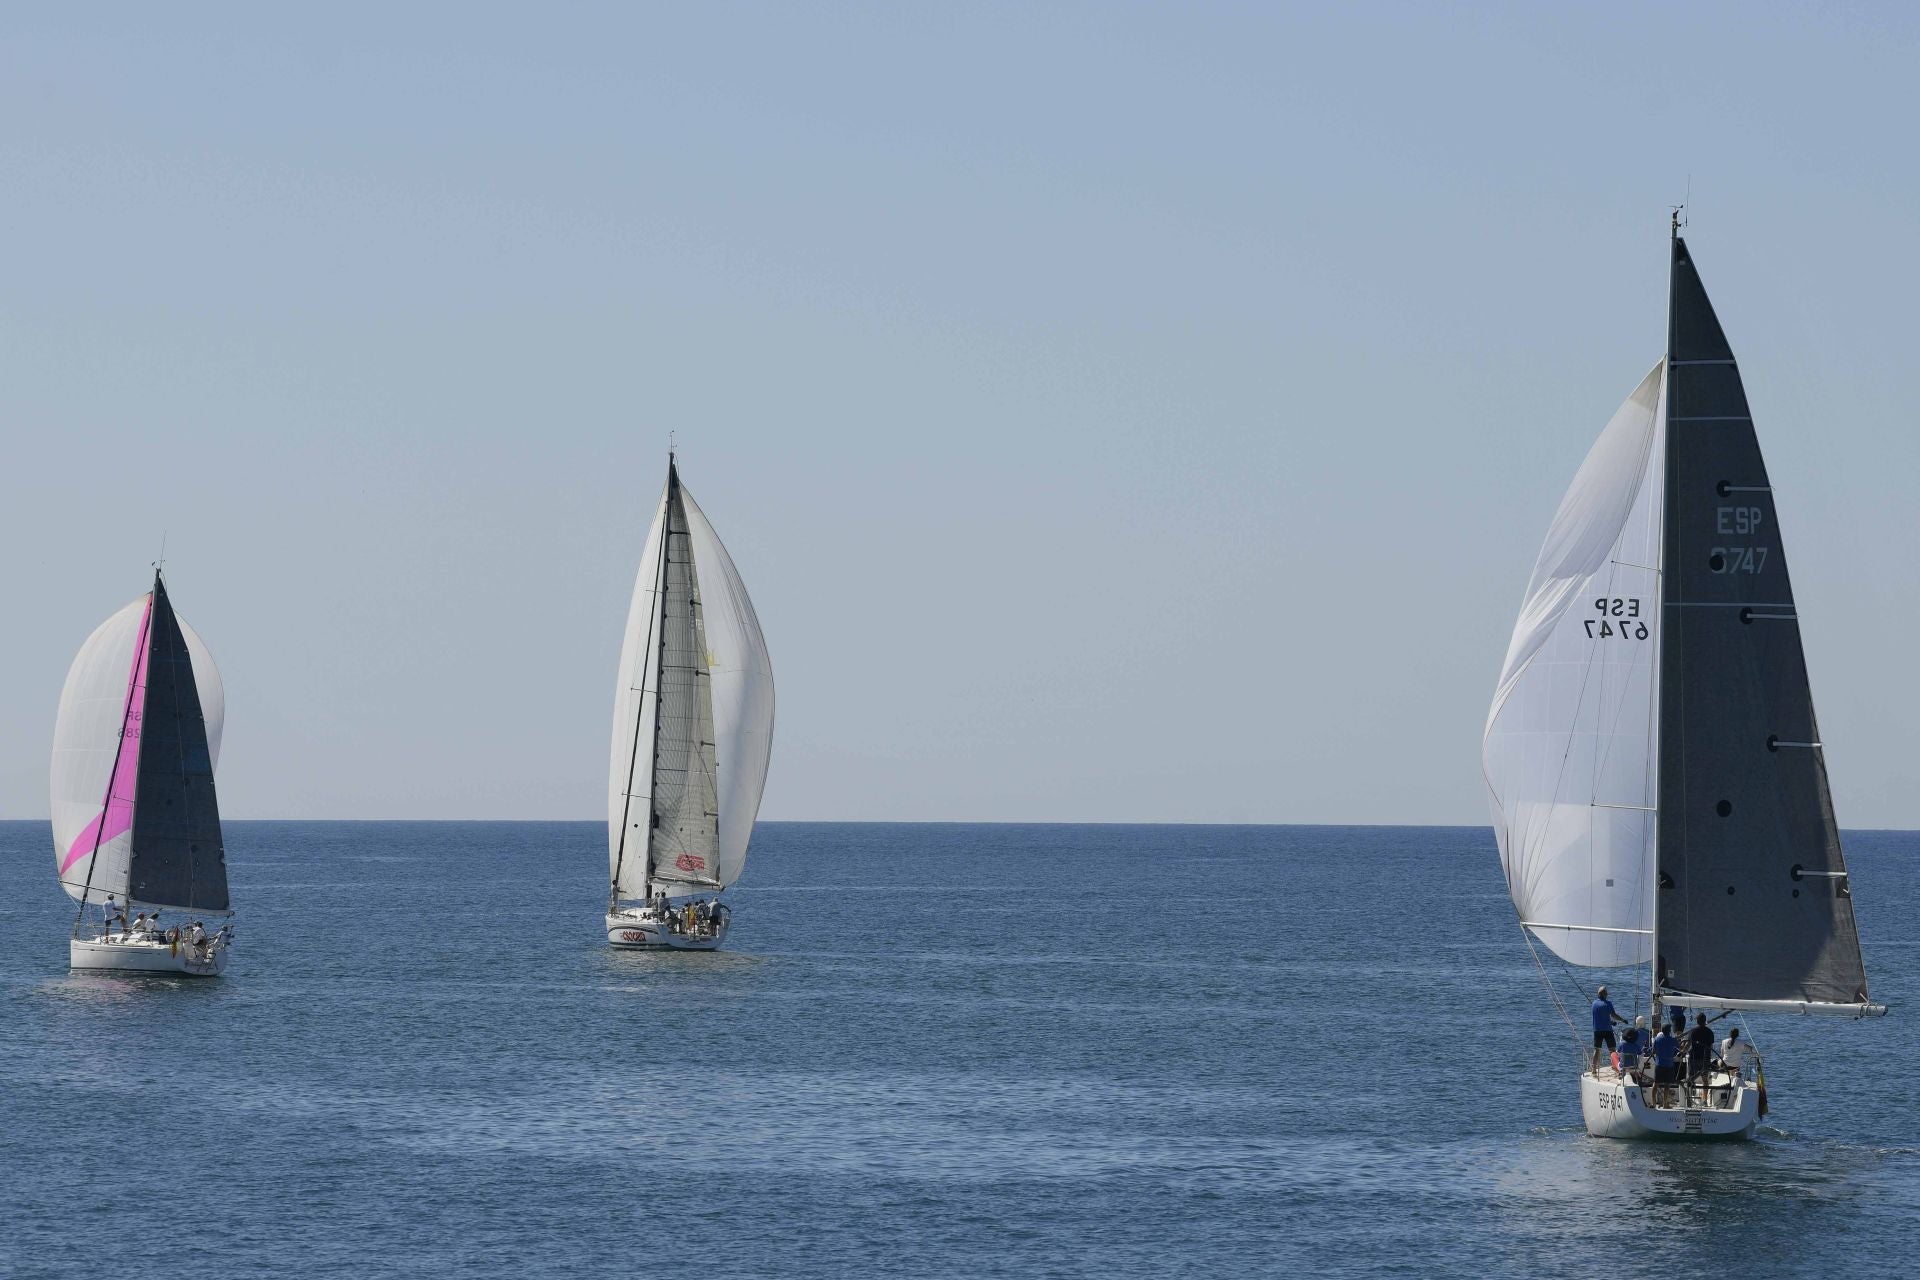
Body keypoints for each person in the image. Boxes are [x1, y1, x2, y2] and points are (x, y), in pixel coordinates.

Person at [1589, 986, 1626, 1070]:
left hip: (1597, 1030)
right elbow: (1614, 1015)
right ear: (1605, 994)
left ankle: (1593, 1069)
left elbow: (1602, 1017)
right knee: (1612, 1050)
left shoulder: (1594, 1004)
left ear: (1598, 994)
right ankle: (1614, 1067)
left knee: (1597, 1050)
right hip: (1607, 1030)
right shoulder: (1608, 1003)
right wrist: (1623, 1020)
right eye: (1606, 993)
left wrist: (1611, 1022)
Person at [1651, 1023, 1681, 1104]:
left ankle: (1653, 1103)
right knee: (1667, 1085)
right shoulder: (1672, 1040)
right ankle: (1665, 1104)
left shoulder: (1657, 1039)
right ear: (1669, 1031)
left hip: (1659, 1065)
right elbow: (1679, 1047)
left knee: (1655, 1084)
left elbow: (1653, 1051)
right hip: (1669, 1065)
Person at [1686, 1013, 1715, 1088]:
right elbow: (1711, 1047)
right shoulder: (1710, 1032)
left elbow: (1688, 1045)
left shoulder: (1693, 1031)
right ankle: (1705, 1095)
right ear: (1705, 1021)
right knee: (1705, 1080)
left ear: (1697, 1021)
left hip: (1694, 1058)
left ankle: (1690, 1093)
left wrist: (1682, 1052)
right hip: (1705, 1059)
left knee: (1691, 1078)